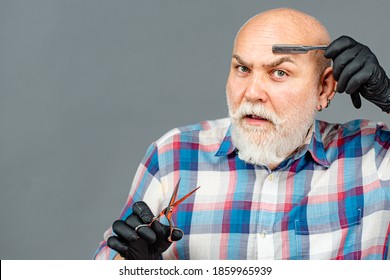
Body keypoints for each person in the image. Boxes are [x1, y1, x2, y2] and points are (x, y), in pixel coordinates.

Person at [94, 8, 390, 260]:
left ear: (324, 88)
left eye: (279, 73)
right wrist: (131, 268)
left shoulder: (374, 154)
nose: (251, 93)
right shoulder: (174, 155)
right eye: (243, 68)